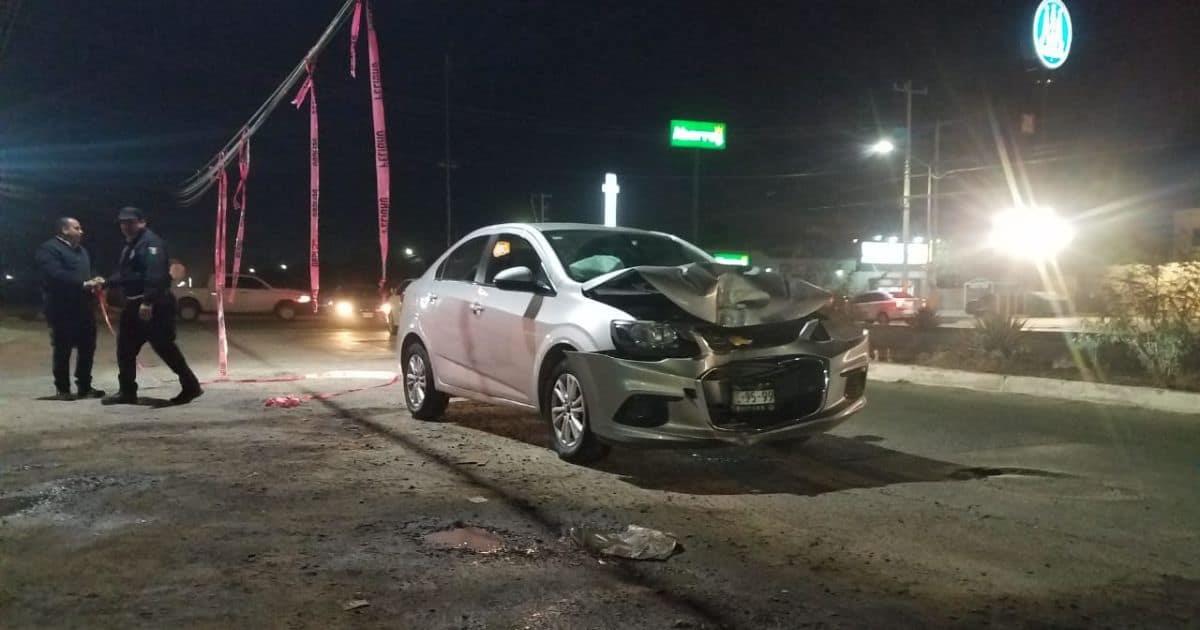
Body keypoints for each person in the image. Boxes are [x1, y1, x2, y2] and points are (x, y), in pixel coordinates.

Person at [102, 207, 203, 406]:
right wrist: (104, 282)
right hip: (133, 304)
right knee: (125, 350)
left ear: (142, 222)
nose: (126, 226)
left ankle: (191, 386)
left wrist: (148, 301)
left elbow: (155, 274)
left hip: (153, 305)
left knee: (164, 347)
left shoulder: (151, 243)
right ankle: (127, 391)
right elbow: (125, 275)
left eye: (130, 222)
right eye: (123, 223)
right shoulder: (131, 245)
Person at [34, 217, 107, 400]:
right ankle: (63, 389)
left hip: (83, 307)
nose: (81, 231)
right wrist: (82, 283)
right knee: (63, 348)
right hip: (61, 308)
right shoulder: (49, 249)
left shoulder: (82, 251)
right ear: (64, 230)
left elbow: (88, 272)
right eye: (77, 228)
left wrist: (96, 280)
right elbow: (54, 275)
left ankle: (84, 386)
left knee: (87, 347)